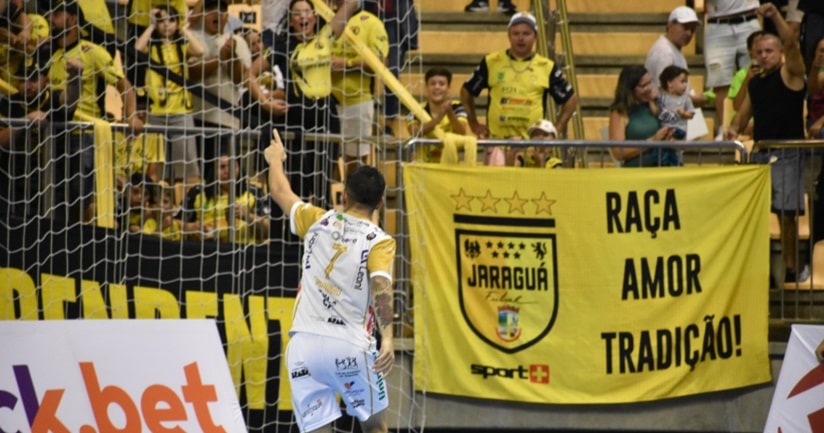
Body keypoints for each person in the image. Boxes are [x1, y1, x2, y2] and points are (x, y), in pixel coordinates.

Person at [264, 129, 395, 433]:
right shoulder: (379, 240)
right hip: (349, 347)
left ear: (344, 195)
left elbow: (280, 192)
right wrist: (387, 337)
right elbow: (380, 287)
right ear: (379, 204)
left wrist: (275, 159)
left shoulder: (317, 220)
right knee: (376, 427)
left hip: (303, 347)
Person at [725, 3, 808, 283]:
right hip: (761, 155)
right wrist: (733, 130)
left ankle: (791, 268)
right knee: (757, 217)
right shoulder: (756, 82)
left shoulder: (791, 74)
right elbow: (742, 116)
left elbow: (791, 41)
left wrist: (776, 17)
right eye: (758, 52)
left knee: (787, 216)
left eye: (769, 51)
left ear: (780, 53)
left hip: (788, 153)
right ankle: (762, 270)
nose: (763, 56)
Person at [48, 0, 144, 224]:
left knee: (78, 198)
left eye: (57, 13)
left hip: (84, 136)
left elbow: (125, 86)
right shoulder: (50, 55)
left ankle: (74, 243)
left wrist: (130, 114)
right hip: (54, 136)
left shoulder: (92, 52)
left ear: (73, 19)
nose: (51, 18)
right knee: (54, 199)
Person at [461, 12, 578, 164]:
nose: (521, 38)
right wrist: (474, 124)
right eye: (516, 33)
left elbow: (571, 99)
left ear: (535, 36)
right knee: (498, 186)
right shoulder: (492, 62)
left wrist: (555, 129)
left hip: (531, 146)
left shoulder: (546, 67)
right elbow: (466, 91)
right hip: (498, 145)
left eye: (526, 33)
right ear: (509, 36)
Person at [0, 56, 82, 219]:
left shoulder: (53, 99)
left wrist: (75, 77)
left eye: (33, 79)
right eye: (23, 79)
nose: (27, 85)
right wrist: (25, 121)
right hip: (13, 184)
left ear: (46, 79)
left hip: (52, 185)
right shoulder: (8, 103)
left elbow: (70, 99)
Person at [135, 7, 204, 185]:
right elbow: (136, 49)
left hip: (181, 111)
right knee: (157, 167)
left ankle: (183, 205)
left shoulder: (181, 45)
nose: (167, 25)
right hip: (157, 112)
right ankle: (161, 204)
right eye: (162, 21)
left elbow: (200, 51)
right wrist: (150, 27)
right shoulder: (151, 47)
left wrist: (184, 29)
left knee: (186, 164)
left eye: (171, 20)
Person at [330, 0, 388, 175]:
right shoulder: (326, 21)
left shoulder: (371, 22)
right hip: (326, 101)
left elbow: (380, 62)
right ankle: (330, 201)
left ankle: (353, 201)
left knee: (355, 161)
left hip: (358, 101)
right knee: (327, 157)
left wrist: (347, 63)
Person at [703, 0, 761, 132]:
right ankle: (725, 128)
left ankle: (755, 126)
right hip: (717, 22)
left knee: (757, 74)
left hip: (749, 18)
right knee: (720, 81)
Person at [608, 65, 677, 167]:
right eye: (643, 85)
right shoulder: (619, 112)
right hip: (637, 175)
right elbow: (618, 152)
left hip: (663, 170)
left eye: (650, 82)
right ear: (630, 88)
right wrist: (651, 142)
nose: (649, 88)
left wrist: (668, 139)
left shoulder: (655, 105)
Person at [644, 6, 707, 109]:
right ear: (670, 25)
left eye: (692, 29)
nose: (689, 33)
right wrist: (693, 100)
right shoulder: (665, 52)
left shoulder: (670, 49)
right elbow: (665, 91)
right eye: (685, 27)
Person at [406, 66, 469, 162]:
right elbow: (415, 132)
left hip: (450, 165)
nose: (437, 87)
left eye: (442, 84)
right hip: (423, 168)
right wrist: (438, 119)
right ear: (426, 87)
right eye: (432, 84)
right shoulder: (416, 109)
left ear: (448, 87)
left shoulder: (457, 106)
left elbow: (462, 132)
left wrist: (450, 113)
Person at [726, 30, 765, 133]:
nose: (762, 51)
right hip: (747, 120)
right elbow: (737, 106)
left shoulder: (778, 72)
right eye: (757, 45)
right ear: (749, 50)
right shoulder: (740, 75)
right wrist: (748, 79)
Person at [657, 65, 695, 140]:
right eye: (682, 82)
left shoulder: (686, 99)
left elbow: (691, 114)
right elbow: (657, 111)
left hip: (679, 130)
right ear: (670, 83)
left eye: (686, 82)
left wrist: (684, 113)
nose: (685, 85)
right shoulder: (661, 97)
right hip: (664, 129)